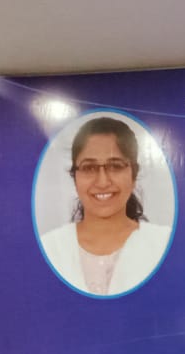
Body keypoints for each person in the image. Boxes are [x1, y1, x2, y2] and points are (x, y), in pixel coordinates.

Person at [40, 116, 171, 295]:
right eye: (89, 168)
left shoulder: (163, 243)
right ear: (75, 177)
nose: (102, 182)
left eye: (115, 166)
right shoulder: (50, 247)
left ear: (134, 174)